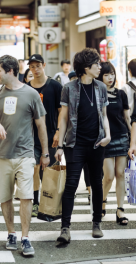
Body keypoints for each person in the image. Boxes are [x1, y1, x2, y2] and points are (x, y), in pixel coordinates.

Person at [0, 55, 49, 256]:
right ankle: (11, 233)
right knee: (5, 198)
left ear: (10, 70)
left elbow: (41, 126)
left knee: (26, 196)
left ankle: (25, 237)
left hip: (25, 154)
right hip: (1, 155)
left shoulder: (31, 94)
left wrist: (45, 153)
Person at [55, 48, 111, 243]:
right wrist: (60, 145)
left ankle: (96, 223)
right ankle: (65, 228)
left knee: (97, 184)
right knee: (71, 185)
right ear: (86, 68)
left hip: (97, 143)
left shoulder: (101, 87)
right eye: (96, 64)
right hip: (75, 144)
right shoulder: (69, 88)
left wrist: (108, 136)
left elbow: (104, 115)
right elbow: (63, 118)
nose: (100, 66)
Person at [27, 54, 62, 217]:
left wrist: (58, 132)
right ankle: (35, 202)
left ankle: (50, 203)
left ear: (44, 65)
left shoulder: (55, 86)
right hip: (31, 137)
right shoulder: (26, 88)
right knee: (33, 169)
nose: (35, 69)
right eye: (32, 66)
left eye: (38, 66)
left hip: (51, 135)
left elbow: (62, 111)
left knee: (48, 171)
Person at [97, 62, 130, 225]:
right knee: (108, 176)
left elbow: (127, 118)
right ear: (100, 76)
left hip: (122, 137)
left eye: (112, 74)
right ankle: (102, 202)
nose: (110, 78)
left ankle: (120, 209)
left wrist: (132, 141)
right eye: (106, 75)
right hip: (106, 139)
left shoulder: (121, 94)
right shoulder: (97, 94)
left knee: (120, 174)